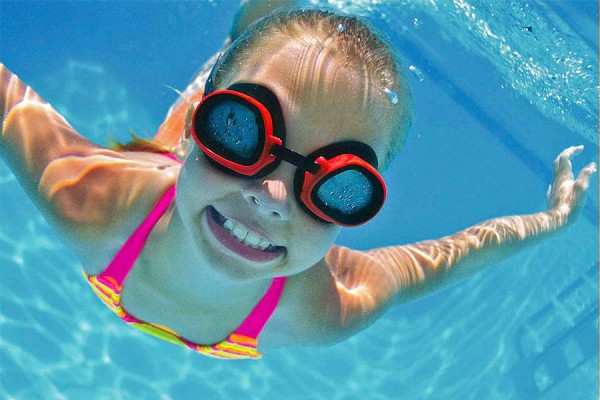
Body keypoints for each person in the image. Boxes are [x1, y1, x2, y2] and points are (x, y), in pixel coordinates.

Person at [0, 3, 596, 360]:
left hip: (183, 192)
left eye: (336, 185)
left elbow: (446, 259)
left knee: (238, 99)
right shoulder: (93, 202)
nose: (272, 197)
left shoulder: (321, 311)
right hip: (162, 178)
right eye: (238, 132)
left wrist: (553, 220)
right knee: (237, 62)